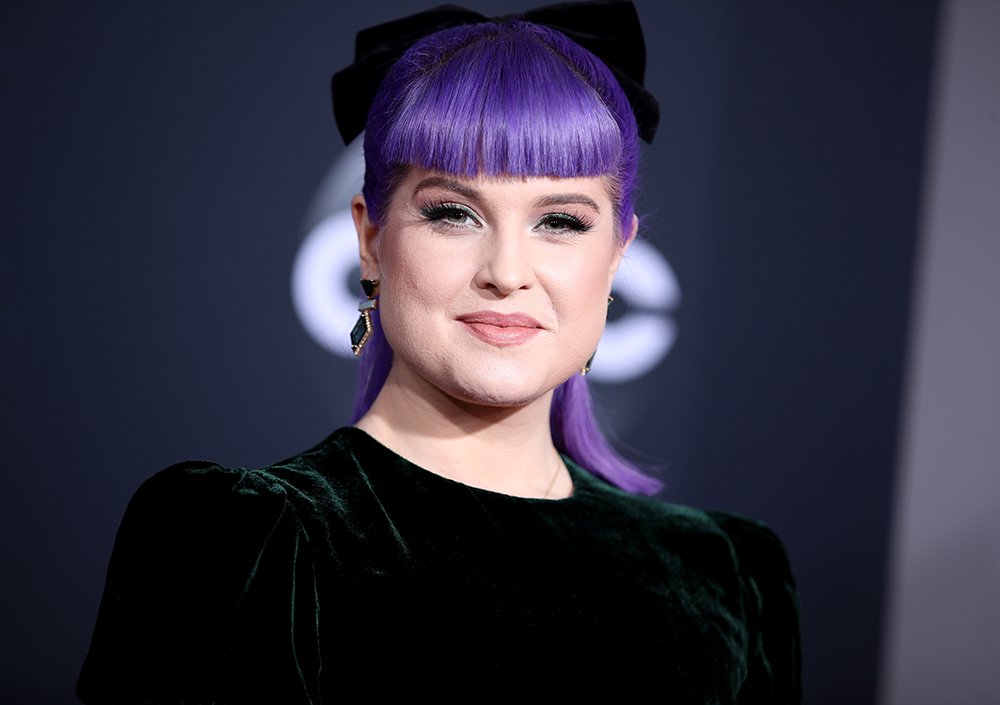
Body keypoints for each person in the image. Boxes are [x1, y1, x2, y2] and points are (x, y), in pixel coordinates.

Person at [77, 2, 801, 702]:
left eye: (560, 221)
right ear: (369, 238)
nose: (508, 271)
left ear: (617, 255)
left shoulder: (730, 575)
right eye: (454, 213)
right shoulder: (245, 539)